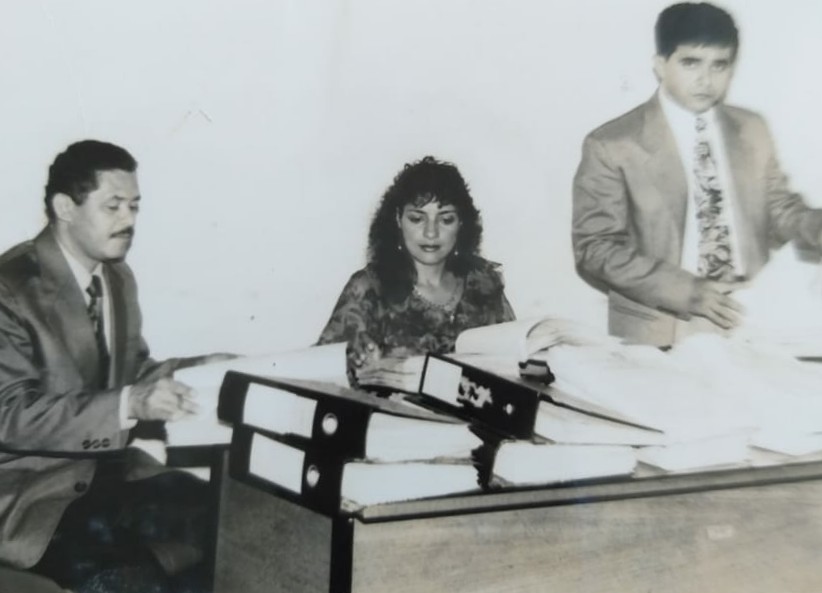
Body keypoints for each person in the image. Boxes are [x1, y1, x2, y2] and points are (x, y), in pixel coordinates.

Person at [0, 140, 231, 593]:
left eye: (134, 206)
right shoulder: (11, 288)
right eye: (113, 206)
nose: (128, 220)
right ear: (65, 208)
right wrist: (130, 404)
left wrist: (200, 368)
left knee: (240, 522)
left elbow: (132, 372)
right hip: (30, 495)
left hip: (107, 476)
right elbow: (9, 414)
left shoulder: (117, 278)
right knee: (129, 577)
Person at [572, 2, 822, 347]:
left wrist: (816, 226)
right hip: (663, 324)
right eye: (691, 63)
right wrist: (687, 291)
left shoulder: (752, 129)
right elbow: (595, 248)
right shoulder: (612, 144)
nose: (706, 79)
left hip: (753, 318)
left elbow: (779, 209)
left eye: (719, 65)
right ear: (661, 65)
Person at [318, 156, 515, 382]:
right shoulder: (368, 288)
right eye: (417, 219)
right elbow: (318, 372)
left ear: (461, 223)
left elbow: (516, 360)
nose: (431, 233)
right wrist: (351, 362)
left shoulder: (483, 283)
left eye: (446, 220)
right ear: (398, 219)